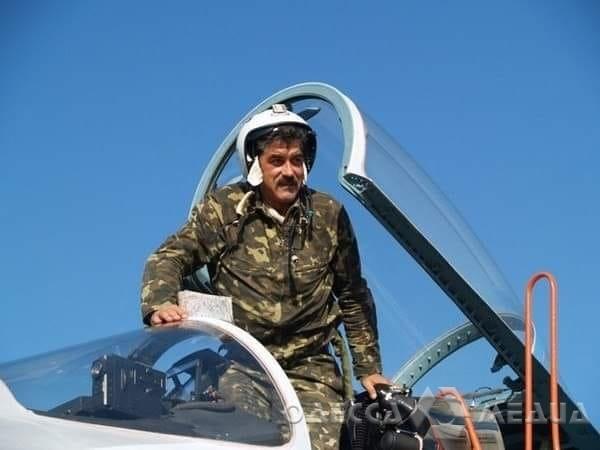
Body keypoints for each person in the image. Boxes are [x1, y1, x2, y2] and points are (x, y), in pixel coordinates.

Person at [140, 104, 389, 449]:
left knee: (320, 443)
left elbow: (353, 293)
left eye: (296, 160)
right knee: (241, 436)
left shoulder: (328, 216)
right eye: (277, 161)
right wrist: (160, 303)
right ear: (255, 164)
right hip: (247, 363)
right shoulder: (224, 210)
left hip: (310, 367)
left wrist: (370, 369)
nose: (289, 171)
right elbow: (169, 256)